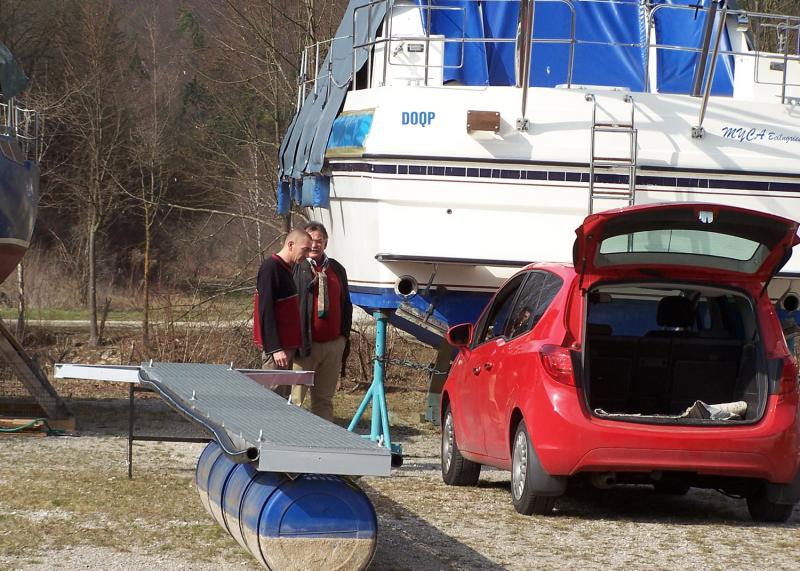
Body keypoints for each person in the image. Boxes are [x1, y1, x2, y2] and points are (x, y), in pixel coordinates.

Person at [291, 221, 353, 422]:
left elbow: (346, 304)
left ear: (326, 243)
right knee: (295, 400)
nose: (315, 245)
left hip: (333, 346)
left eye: (319, 241)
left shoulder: (337, 269)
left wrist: (343, 338)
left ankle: (322, 439)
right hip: (304, 346)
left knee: (324, 400)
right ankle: (291, 438)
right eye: (310, 240)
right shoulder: (296, 267)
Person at [254, 229, 312, 383]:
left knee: (284, 395)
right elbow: (266, 310)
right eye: (305, 249)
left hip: (287, 349)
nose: (307, 255)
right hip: (278, 352)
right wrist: (275, 348)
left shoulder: (286, 268)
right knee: (273, 396)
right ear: (291, 245)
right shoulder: (271, 268)